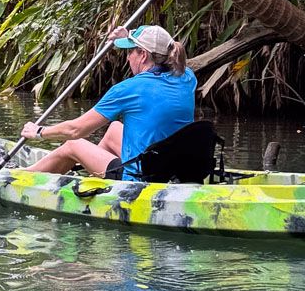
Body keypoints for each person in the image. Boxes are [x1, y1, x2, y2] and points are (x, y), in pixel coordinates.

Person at [20, 24, 196, 181]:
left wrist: (39, 132)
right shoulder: (187, 77)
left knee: (73, 144)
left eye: (130, 52)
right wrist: (128, 36)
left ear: (142, 55)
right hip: (172, 169)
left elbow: (76, 130)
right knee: (114, 129)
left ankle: (23, 175)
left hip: (141, 178)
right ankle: (92, 176)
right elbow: (160, 49)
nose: (127, 58)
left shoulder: (128, 89)